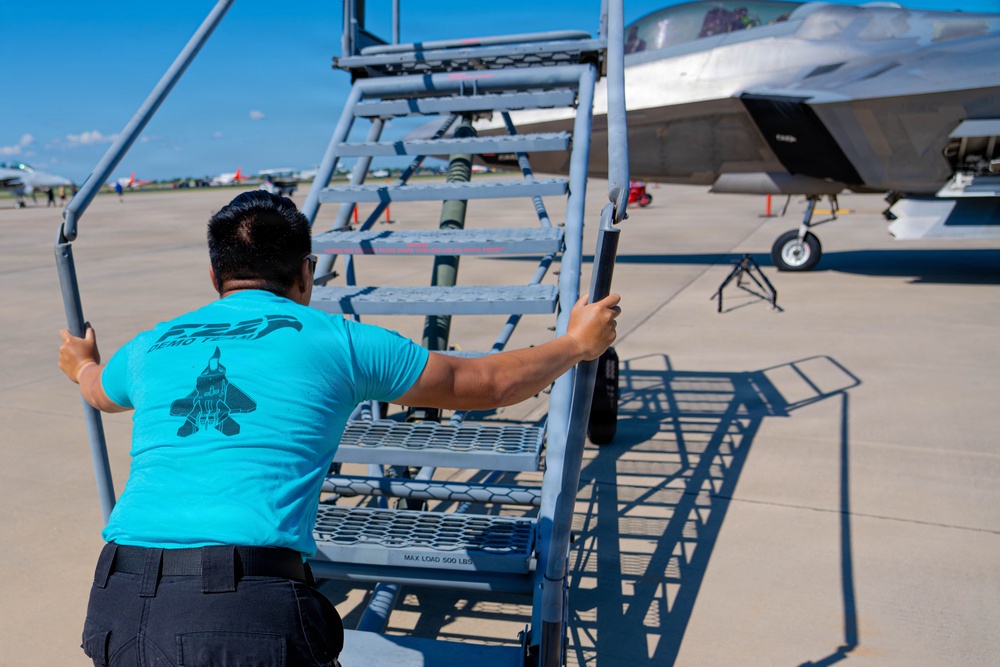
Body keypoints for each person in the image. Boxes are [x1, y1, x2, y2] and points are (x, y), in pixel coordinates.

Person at [58, 190, 621, 666]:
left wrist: (82, 361)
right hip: (242, 612)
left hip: (120, 599)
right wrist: (576, 343)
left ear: (214, 275)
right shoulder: (337, 339)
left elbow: (97, 392)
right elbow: (489, 384)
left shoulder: (152, 343)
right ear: (306, 273)